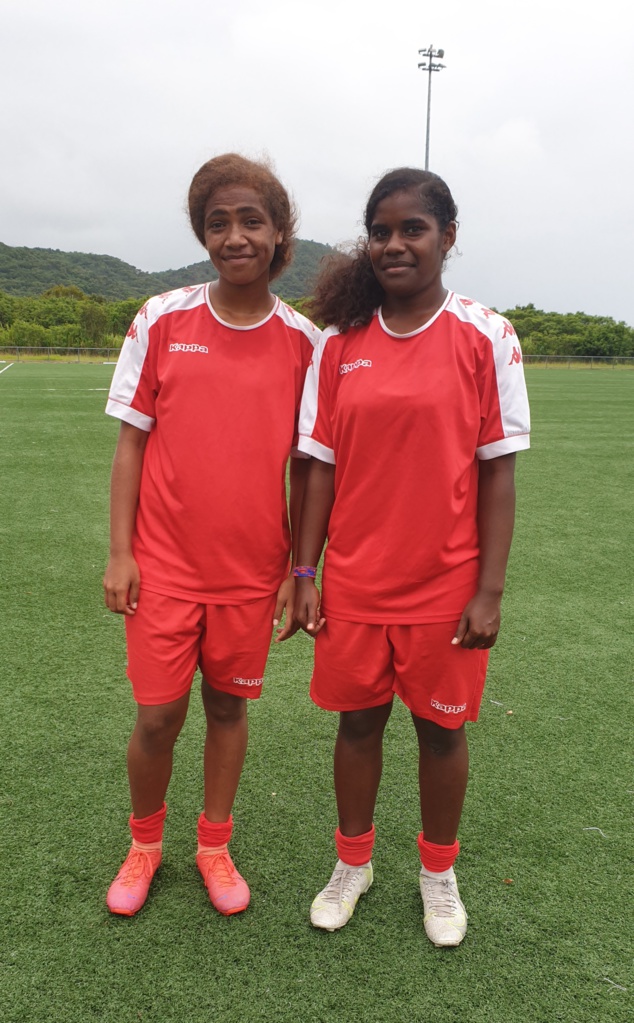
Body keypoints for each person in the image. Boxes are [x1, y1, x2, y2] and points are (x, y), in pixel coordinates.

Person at [293, 167, 530, 946]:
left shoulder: (486, 335)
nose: (394, 245)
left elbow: (498, 469)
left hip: (445, 588)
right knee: (357, 727)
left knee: (441, 732)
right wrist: (305, 570)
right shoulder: (339, 342)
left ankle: (438, 875)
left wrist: (488, 590)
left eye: (412, 230)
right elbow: (318, 465)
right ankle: (352, 864)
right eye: (382, 231)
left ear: (447, 238)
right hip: (356, 585)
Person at [103, 153, 320, 917]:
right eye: (218, 222)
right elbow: (131, 441)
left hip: (248, 573)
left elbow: (306, 467)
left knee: (228, 708)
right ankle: (144, 844)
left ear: (279, 233)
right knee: (158, 715)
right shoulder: (162, 317)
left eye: (250, 220)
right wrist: (122, 552)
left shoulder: (304, 342)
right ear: (203, 233)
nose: (235, 235)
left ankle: (214, 844)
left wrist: (301, 570)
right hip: (162, 566)